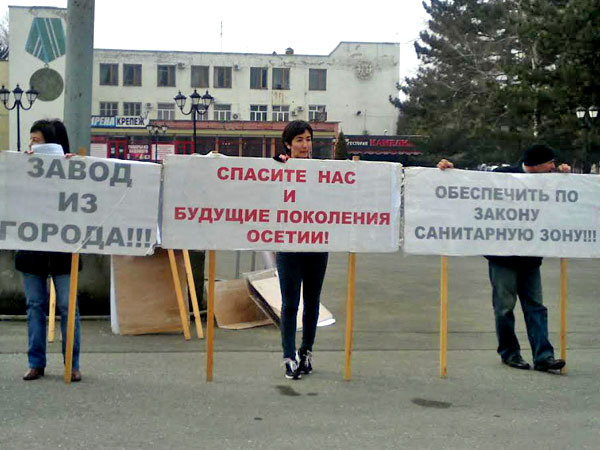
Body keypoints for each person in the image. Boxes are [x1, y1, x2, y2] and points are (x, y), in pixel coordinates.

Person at [437, 144, 568, 372]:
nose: (553, 167)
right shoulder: (502, 176)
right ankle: (510, 353)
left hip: (530, 258)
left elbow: (567, 199)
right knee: (505, 308)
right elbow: (472, 185)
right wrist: (450, 171)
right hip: (503, 258)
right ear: (536, 164)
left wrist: (567, 178)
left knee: (536, 308)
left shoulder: (550, 180)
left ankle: (543, 356)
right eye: (550, 163)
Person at [15, 119, 82, 382]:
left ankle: (72, 364)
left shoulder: (72, 168)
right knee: (34, 306)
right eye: (31, 139)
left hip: (63, 250)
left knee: (68, 306)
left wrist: (77, 171)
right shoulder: (23, 167)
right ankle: (35, 363)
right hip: (32, 249)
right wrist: (21, 167)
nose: (32, 144)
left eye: (37, 140)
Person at [274, 120, 328, 379]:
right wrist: (277, 166)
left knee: (312, 301)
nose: (305, 145)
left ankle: (306, 350)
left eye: (308, 139)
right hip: (288, 246)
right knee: (290, 304)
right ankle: (289, 355)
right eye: (299, 140)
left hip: (317, 245)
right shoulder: (278, 167)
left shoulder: (322, 170)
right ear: (288, 144)